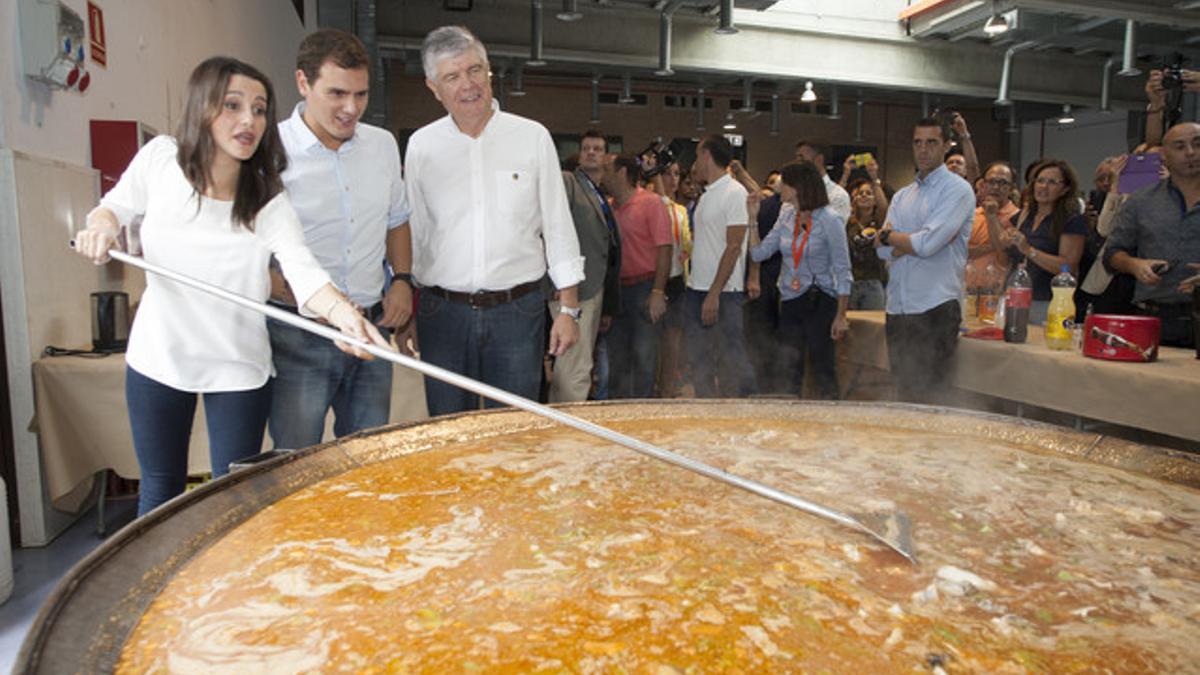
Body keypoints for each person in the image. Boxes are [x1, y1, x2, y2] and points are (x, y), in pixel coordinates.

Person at [72, 57, 387, 516]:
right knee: (160, 491)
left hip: (237, 364)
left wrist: (346, 319)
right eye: (233, 105)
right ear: (202, 107)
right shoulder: (162, 159)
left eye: (259, 110)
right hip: (160, 357)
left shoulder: (267, 200)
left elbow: (305, 275)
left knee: (232, 502)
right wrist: (98, 227)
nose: (249, 121)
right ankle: (164, 591)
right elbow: (113, 207)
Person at [405, 26, 584, 415]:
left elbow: (557, 224)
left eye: (475, 70)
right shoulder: (422, 146)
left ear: (489, 71)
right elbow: (415, 230)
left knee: (516, 430)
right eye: (452, 77)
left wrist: (568, 310)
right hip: (442, 314)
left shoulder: (532, 137)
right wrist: (411, 307)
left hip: (517, 313)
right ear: (433, 87)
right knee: (450, 431)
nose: (468, 84)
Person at [266, 29, 412, 449]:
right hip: (297, 328)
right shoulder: (270, 148)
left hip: (370, 326)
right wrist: (280, 288)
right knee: (297, 460)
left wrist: (402, 280)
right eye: (337, 94)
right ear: (302, 83)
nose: (351, 108)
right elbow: (253, 241)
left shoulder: (382, 146)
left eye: (361, 95)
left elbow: (397, 219)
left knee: (367, 455)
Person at [874, 118, 975, 404]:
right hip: (899, 307)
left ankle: (935, 449)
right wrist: (903, 241)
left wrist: (892, 238)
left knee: (931, 398)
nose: (923, 149)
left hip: (935, 307)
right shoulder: (904, 195)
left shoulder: (957, 190)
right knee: (905, 395)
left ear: (945, 145)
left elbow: (927, 244)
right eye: (918, 142)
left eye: (931, 142)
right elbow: (881, 251)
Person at [748, 161, 852, 399]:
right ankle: (790, 422)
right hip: (792, 299)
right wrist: (753, 220)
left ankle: (832, 421)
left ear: (798, 187)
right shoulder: (786, 214)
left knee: (823, 366)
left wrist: (841, 314)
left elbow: (843, 269)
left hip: (820, 300)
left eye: (784, 182)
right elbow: (759, 253)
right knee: (788, 366)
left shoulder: (829, 219)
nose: (778, 187)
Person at [1105, 122, 1200, 348]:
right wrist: (1134, 264)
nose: (1190, 152)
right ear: (1164, 157)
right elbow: (1112, 253)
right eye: (1179, 146)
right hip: (1155, 319)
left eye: (1197, 144)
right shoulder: (1141, 200)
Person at [547, 128, 621, 403]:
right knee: (573, 366)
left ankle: (566, 417)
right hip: (571, 290)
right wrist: (557, 282)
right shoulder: (569, 182)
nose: (591, 152)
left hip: (593, 289)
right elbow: (551, 228)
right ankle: (567, 426)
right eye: (586, 148)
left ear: (606, 157)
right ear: (579, 155)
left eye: (597, 148)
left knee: (579, 364)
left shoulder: (599, 192)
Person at [685, 134, 757, 397]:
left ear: (706, 155)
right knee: (698, 358)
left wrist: (714, 292)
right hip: (698, 287)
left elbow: (734, 246)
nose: (694, 163)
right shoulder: (707, 195)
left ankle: (748, 406)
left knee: (732, 355)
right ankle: (707, 408)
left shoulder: (734, 192)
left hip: (723, 293)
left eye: (696, 155)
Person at [602, 153, 673, 398]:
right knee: (617, 358)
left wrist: (658, 292)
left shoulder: (651, 203)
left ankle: (643, 413)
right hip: (617, 292)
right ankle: (618, 416)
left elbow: (665, 248)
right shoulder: (608, 207)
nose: (603, 174)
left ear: (622, 173)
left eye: (607, 169)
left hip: (645, 288)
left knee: (644, 358)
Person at [994, 159, 1088, 325]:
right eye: (1040, 181)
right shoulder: (1023, 217)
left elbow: (1068, 267)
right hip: (1014, 294)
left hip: (1047, 302)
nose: (1043, 187)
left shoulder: (1072, 221)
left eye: (1052, 182)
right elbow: (1004, 260)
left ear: (1065, 189)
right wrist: (1005, 242)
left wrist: (1029, 250)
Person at [654, 161, 692, 397]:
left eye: (677, 173)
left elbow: (686, 243)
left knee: (673, 341)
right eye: (667, 173)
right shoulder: (653, 204)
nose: (673, 179)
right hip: (657, 278)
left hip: (678, 278)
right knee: (653, 341)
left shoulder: (681, 210)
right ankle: (654, 387)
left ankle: (668, 388)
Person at [967, 161, 1020, 293]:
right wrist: (990, 247)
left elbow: (1005, 254)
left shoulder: (1018, 217)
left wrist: (991, 216)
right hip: (966, 287)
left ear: (1012, 187)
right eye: (991, 181)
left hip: (997, 290)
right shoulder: (971, 214)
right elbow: (958, 250)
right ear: (983, 185)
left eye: (1002, 183)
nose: (995, 187)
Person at [845, 177, 888, 310]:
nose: (864, 195)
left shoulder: (880, 222)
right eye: (860, 193)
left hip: (873, 281)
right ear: (854, 199)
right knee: (850, 328)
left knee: (872, 328)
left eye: (868, 193)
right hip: (850, 282)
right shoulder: (848, 223)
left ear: (875, 200)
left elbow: (884, 207)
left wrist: (875, 179)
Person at [795, 139, 851, 222]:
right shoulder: (794, 192)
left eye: (802, 158)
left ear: (819, 160)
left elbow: (835, 232)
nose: (797, 164)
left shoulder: (838, 195)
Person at [944, 112, 981, 184]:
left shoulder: (971, 187)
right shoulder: (938, 188)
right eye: (950, 163)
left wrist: (964, 134)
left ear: (966, 170)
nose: (954, 165)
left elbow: (972, 166)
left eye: (959, 163)